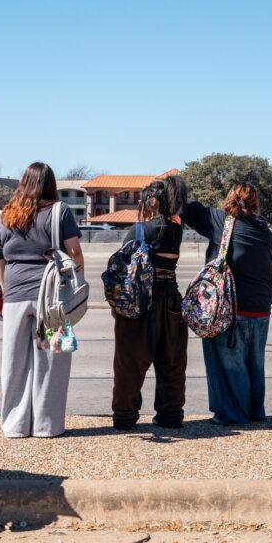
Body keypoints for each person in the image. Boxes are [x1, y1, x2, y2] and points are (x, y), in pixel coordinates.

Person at [0, 162, 84, 438]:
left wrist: (8, 288)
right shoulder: (60, 211)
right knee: (52, 361)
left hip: (15, 294)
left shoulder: (7, 214)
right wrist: (74, 281)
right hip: (52, 297)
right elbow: (75, 252)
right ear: (51, 184)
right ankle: (47, 425)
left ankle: (15, 424)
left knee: (13, 362)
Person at [182, 182, 272, 425]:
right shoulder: (264, 229)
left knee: (227, 368)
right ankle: (255, 412)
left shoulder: (222, 222)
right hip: (261, 308)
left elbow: (189, 209)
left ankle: (231, 414)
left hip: (230, 309)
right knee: (255, 366)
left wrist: (174, 186)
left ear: (230, 199)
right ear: (255, 203)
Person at [112, 179, 187, 430]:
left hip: (141, 303)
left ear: (152, 200)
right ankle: (171, 414)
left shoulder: (141, 230)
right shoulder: (176, 228)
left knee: (129, 364)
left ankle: (125, 416)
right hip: (172, 301)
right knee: (172, 363)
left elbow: (121, 268)